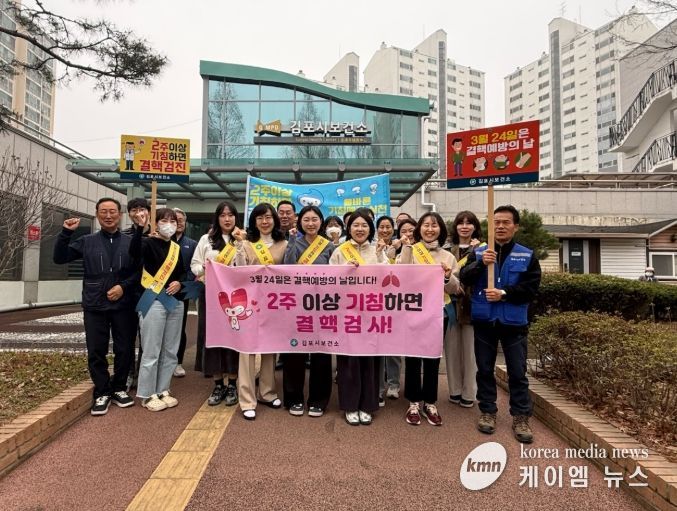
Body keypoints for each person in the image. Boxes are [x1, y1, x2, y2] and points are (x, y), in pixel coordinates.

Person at [459, 205, 541, 444]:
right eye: (496, 222)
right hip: (484, 320)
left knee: (517, 372)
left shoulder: (527, 255)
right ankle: (487, 411)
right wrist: (480, 264)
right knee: (484, 369)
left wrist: (505, 293)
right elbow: (464, 277)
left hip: (513, 322)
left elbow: (531, 288)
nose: (501, 227)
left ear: (516, 226)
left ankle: (521, 416)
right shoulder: (480, 252)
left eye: (506, 222)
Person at [53, 198, 138, 416]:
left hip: (123, 304)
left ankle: (119, 388)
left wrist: (123, 287)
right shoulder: (87, 241)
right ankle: (102, 391)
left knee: (124, 348)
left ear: (120, 215)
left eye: (112, 211)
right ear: (97, 214)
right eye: (103, 212)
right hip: (94, 303)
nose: (108, 216)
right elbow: (59, 258)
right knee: (96, 349)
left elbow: (139, 272)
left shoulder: (130, 242)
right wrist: (66, 233)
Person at [397, 212, 460, 427]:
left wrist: (447, 276)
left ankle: (430, 402)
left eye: (434, 225)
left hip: (438, 313)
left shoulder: (448, 256)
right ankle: (413, 402)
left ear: (440, 229)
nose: (430, 229)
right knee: (413, 358)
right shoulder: (410, 250)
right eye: (426, 225)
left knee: (433, 358)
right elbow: (400, 275)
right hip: (412, 312)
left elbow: (455, 288)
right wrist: (406, 247)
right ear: (419, 228)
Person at [330, 210, 389, 426]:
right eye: (356, 225)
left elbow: (388, 278)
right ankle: (350, 405)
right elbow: (329, 281)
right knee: (349, 361)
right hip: (348, 314)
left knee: (370, 361)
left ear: (370, 229)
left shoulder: (377, 250)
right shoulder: (339, 251)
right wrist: (343, 271)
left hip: (371, 314)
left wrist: (381, 256)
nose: (360, 229)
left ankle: (367, 405)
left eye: (364, 225)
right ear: (349, 228)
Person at [233, 203, 287, 420]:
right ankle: (247, 399)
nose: (265, 222)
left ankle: (267, 392)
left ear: (274, 219)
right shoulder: (247, 244)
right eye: (260, 218)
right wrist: (239, 245)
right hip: (249, 304)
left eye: (268, 217)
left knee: (269, 350)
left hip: (273, 304)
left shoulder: (284, 244)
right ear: (254, 222)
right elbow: (239, 270)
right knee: (246, 351)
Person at [129, 207, 186, 411]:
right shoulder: (146, 243)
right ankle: (147, 394)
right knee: (151, 349)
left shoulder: (176, 248)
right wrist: (140, 228)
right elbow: (133, 254)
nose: (169, 225)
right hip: (152, 300)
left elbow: (182, 272)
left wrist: (179, 283)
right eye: (164, 220)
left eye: (173, 221)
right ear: (156, 223)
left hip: (174, 302)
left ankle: (163, 389)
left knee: (170, 350)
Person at [282, 205, 335, 417]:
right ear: (299, 222)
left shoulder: (329, 246)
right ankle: (293, 398)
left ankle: (318, 400)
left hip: (323, 306)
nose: (311, 223)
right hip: (297, 306)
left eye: (314, 219)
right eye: (306, 219)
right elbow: (287, 268)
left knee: (321, 353)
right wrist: (292, 241)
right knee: (294, 352)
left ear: (321, 222)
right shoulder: (294, 241)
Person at [191, 201, 244, 407]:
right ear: (217, 218)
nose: (227, 219)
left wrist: (241, 245)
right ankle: (218, 383)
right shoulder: (206, 239)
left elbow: (248, 265)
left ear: (236, 217)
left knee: (234, 337)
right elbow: (195, 264)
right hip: (211, 296)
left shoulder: (242, 238)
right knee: (212, 338)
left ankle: (232, 384)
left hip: (236, 298)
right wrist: (204, 269)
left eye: (230, 215)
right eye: (223, 215)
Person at [444, 211, 483, 409]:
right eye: (461, 223)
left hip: (471, 304)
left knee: (470, 352)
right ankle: (455, 390)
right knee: (451, 350)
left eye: (469, 223)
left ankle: (469, 392)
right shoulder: (446, 250)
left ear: (475, 227)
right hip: (449, 305)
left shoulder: (483, 249)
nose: (465, 227)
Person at [374, 215, 398, 405]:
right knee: (378, 348)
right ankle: (378, 388)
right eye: (381, 227)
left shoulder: (402, 246)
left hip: (396, 303)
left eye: (388, 227)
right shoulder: (371, 246)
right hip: (375, 304)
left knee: (394, 347)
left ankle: (394, 384)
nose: (385, 230)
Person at [172, 208, 197, 378]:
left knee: (179, 328)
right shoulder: (159, 241)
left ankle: (178, 362)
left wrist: (181, 284)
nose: (178, 223)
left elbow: (193, 269)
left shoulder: (192, 244)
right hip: (159, 291)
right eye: (174, 220)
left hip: (182, 292)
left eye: (181, 220)